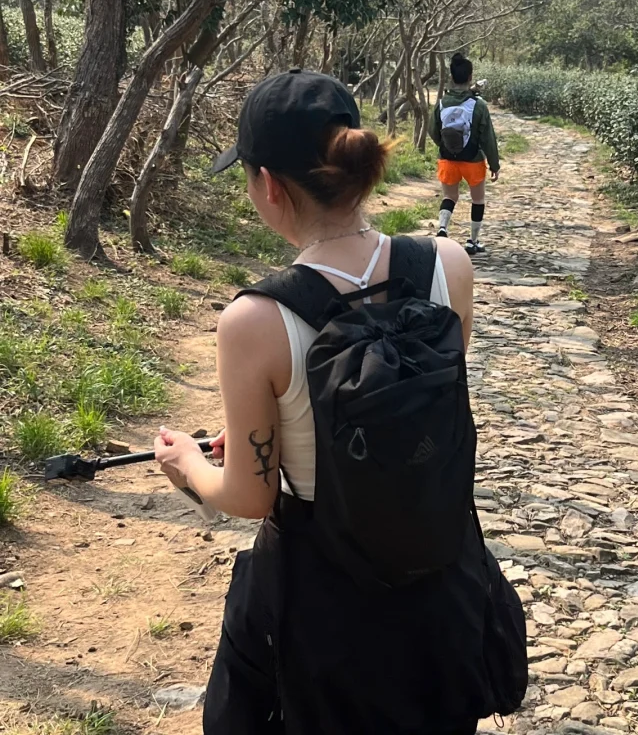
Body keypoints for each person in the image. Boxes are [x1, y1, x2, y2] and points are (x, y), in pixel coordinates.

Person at [153, 70, 503, 734]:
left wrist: (187, 468)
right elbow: (410, 409)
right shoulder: (448, 265)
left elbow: (251, 498)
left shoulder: (255, 319)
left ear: (269, 186)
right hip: (438, 573)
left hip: (325, 593)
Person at [432, 53, 500, 255]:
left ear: (451, 78)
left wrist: (445, 146)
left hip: (448, 159)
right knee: (477, 199)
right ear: (470, 77)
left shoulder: (442, 103)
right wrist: (494, 164)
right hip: (473, 160)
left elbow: (433, 130)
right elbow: (488, 137)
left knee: (450, 196)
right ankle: (473, 241)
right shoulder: (478, 105)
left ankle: (442, 228)